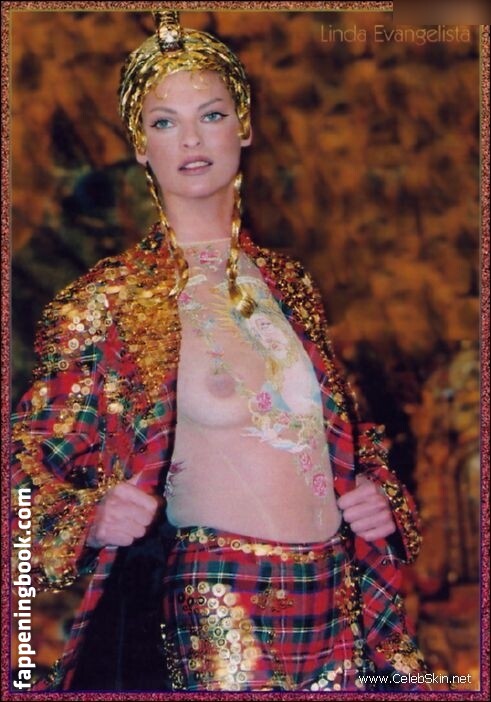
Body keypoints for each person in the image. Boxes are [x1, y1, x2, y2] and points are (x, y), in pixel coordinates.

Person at [11, 10, 429, 692]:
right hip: (220, 604)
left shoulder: (289, 283)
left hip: (338, 600)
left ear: (244, 125)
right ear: (140, 145)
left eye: (210, 114)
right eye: (163, 122)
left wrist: (375, 494)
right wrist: (90, 519)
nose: (190, 139)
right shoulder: (108, 301)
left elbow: (348, 434)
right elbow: (23, 473)